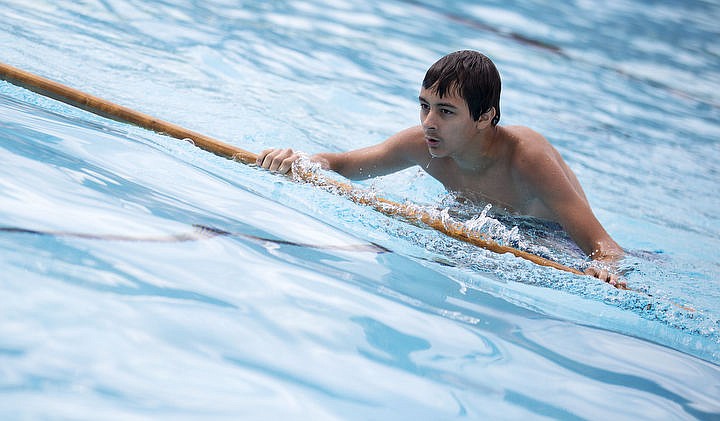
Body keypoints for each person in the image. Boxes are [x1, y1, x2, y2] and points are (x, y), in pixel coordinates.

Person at [257, 50, 625, 287]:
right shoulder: (425, 146)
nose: (429, 122)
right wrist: (301, 161)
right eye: (424, 106)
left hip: (552, 243)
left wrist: (605, 270)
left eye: (445, 111)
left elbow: (604, 247)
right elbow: (343, 165)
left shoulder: (527, 158)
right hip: (484, 226)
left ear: (485, 117)